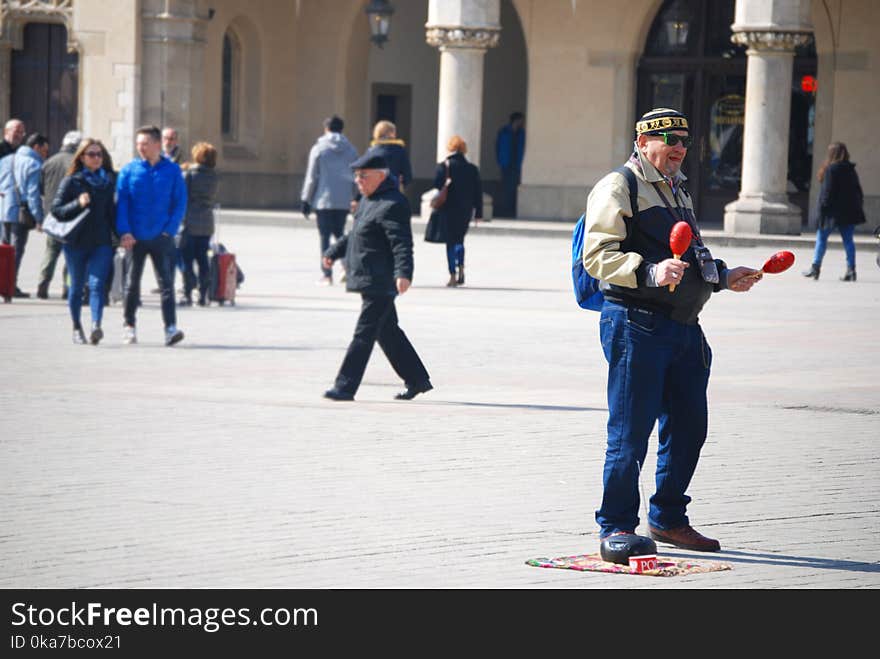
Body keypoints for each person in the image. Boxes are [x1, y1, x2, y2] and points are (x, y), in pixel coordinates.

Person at [582, 108, 762, 552]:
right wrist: (649, 271)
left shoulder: (677, 189)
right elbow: (598, 255)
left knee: (688, 427)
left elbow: (688, 254)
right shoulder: (619, 186)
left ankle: (667, 519)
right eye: (669, 140)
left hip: (683, 327)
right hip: (635, 323)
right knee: (630, 431)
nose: (679, 148)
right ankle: (617, 526)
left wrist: (722, 275)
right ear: (644, 142)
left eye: (684, 141)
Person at [321, 152, 432, 402]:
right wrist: (333, 252)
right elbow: (354, 235)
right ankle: (417, 379)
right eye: (356, 177)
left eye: (363, 176)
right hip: (368, 277)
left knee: (364, 333)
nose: (358, 181)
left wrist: (404, 273)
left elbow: (402, 243)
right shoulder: (367, 200)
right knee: (387, 331)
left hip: (381, 281)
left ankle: (344, 386)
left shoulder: (393, 203)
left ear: (380, 176)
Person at [116, 125, 187, 346]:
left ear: (158, 144)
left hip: (161, 237)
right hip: (135, 238)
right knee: (131, 283)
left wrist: (170, 230)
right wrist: (124, 231)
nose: (141, 148)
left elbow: (180, 202)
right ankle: (129, 326)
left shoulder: (172, 171)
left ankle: (170, 328)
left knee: (167, 284)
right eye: (138, 144)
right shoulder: (129, 170)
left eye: (145, 143)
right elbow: (121, 204)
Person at [50, 138, 116, 345]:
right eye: (92, 154)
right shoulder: (72, 181)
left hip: (101, 243)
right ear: (82, 157)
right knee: (77, 287)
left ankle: (96, 325)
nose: (96, 158)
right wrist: (77, 204)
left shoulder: (108, 182)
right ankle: (77, 327)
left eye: (99, 154)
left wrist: (123, 234)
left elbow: (112, 214)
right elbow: (56, 210)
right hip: (76, 243)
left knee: (97, 285)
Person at [300, 115, 358, 285]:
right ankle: (346, 268)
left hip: (323, 200)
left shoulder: (318, 148)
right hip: (343, 199)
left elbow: (312, 177)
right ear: (342, 129)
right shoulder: (351, 150)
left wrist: (306, 199)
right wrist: (355, 197)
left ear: (326, 129)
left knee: (324, 237)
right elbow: (356, 176)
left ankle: (327, 274)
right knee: (340, 234)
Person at [802, 142, 866, 282]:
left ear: (831, 154)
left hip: (831, 212)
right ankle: (851, 270)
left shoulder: (831, 169)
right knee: (848, 241)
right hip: (848, 212)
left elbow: (827, 192)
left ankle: (815, 268)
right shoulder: (850, 169)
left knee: (821, 238)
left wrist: (822, 208)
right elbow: (858, 191)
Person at [0, 132, 50, 297]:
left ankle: (4, 284)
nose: (45, 155)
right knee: (15, 252)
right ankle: (10, 287)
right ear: (36, 147)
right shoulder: (33, 164)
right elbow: (33, 195)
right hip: (19, 214)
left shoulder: (6, 160)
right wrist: (39, 218)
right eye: (44, 151)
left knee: (4, 251)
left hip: (3, 211)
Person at [431, 135, 482, 287]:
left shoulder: (444, 166)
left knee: (450, 242)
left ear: (450, 148)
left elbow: (437, 185)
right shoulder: (472, 169)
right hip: (465, 210)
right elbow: (478, 192)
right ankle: (461, 267)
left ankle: (452, 275)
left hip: (448, 209)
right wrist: (478, 213)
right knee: (460, 240)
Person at [37, 129, 82, 299]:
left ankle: (43, 283)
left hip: (51, 215)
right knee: (71, 253)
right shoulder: (76, 163)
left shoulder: (49, 162)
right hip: (72, 214)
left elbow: (41, 188)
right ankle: (67, 288)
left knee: (51, 251)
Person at [179, 142, 218, 306]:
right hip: (207, 222)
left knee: (186, 259)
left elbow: (183, 198)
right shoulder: (214, 176)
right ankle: (203, 294)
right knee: (202, 259)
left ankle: (188, 291)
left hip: (190, 222)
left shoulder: (190, 175)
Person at [494, 111, 525, 218]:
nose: (522, 123)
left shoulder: (522, 133)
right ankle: (505, 209)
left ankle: (512, 209)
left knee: (515, 187)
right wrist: (500, 160)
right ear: (516, 120)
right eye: (521, 120)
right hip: (506, 164)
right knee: (506, 187)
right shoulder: (503, 132)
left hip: (517, 164)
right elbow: (498, 147)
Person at [368, 120, 412, 192]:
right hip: (393, 191)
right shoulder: (399, 150)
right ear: (391, 133)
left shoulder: (371, 151)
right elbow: (407, 176)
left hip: (375, 191)